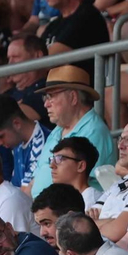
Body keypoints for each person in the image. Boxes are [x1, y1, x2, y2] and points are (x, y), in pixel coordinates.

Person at [30, 66, 115, 196]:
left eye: (51, 96)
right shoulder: (56, 131)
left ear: (73, 97)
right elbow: (36, 180)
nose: (46, 104)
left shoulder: (94, 131)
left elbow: (79, 186)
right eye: (45, 97)